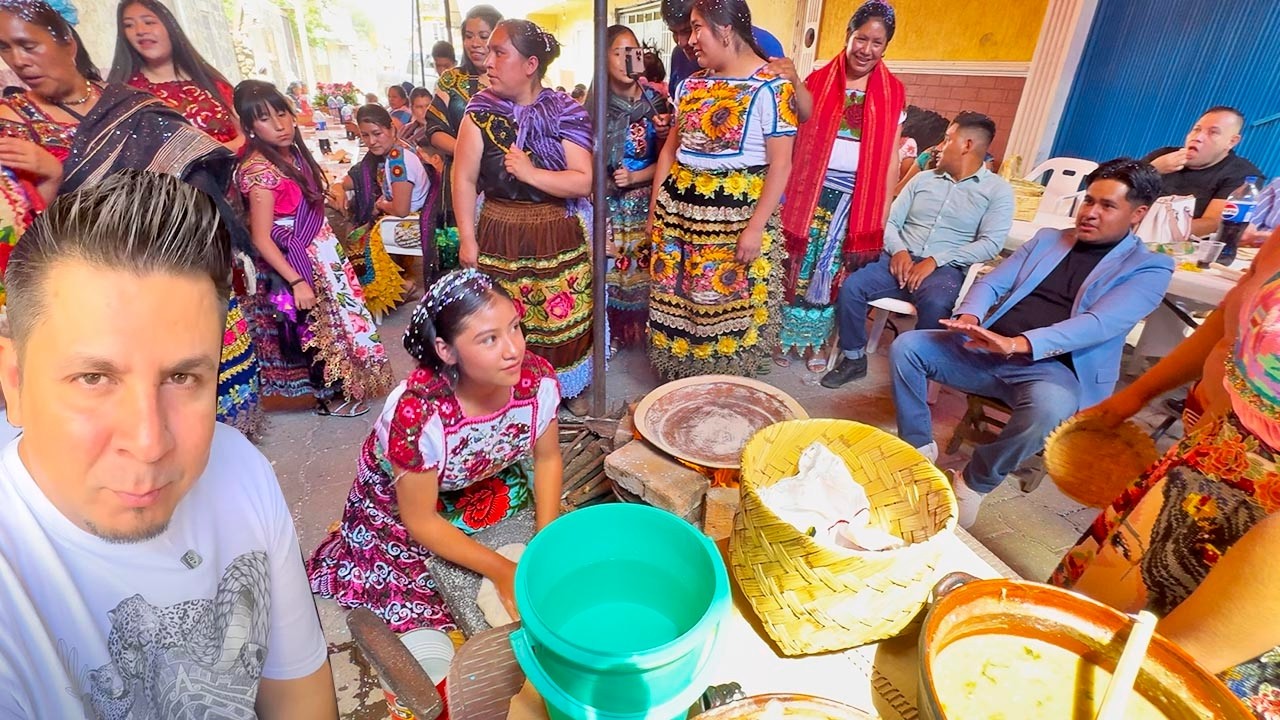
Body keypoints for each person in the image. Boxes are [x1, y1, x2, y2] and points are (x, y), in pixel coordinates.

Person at [0, 170, 337, 718]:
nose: (149, 442)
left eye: (183, 378)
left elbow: (298, 694)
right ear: (13, 382)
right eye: (94, 378)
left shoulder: (239, 469)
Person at [0, 1, 262, 437]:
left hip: (182, 268)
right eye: (5, 49)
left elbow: (199, 170)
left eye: (28, 45)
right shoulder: (12, 123)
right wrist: (50, 177)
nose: (18, 60)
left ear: (66, 39)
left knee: (205, 409)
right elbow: (20, 238)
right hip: (96, 301)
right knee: (140, 423)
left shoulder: (134, 105)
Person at [891, 159, 1174, 528]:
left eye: (1107, 206)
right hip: (987, 350)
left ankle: (975, 481)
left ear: (1137, 214)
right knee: (907, 347)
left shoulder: (1149, 268)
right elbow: (991, 282)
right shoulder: (1049, 239)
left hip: (1052, 370)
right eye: (1089, 201)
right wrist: (971, 317)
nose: (1090, 213)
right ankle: (918, 448)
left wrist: (1018, 343)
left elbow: (1098, 324)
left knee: (1048, 408)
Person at [1051, 262, 1280, 715]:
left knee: (1145, 693)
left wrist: (1171, 668)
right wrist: (1135, 394)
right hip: (1205, 468)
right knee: (1073, 645)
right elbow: (1232, 310)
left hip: (1261, 579)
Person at [308, 269, 563, 632]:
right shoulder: (417, 416)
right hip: (409, 503)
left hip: (483, 479)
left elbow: (548, 458)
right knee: (431, 602)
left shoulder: (537, 381)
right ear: (446, 350)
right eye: (489, 339)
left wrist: (545, 544)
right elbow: (421, 520)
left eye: (514, 327)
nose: (513, 350)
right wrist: (504, 570)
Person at [646, 0, 796, 380]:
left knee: (724, 305)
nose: (691, 40)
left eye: (698, 28)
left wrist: (756, 227)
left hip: (733, 218)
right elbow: (670, 152)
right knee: (678, 303)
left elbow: (781, 164)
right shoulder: (692, 84)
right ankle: (680, 388)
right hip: (677, 216)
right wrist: (655, 211)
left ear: (725, 29)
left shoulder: (773, 90)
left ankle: (721, 388)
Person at [452, 20, 596, 415]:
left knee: (561, 312)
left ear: (531, 64)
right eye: (489, 52)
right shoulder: (479, 112)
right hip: (499, 226)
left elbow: (582, 181)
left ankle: (566, 385)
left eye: (500, 53)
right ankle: (514, 391)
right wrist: (468, 237)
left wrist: (531, 173)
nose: (487, 61)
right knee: (503, 318)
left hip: (555, 227)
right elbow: (463, 178)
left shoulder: (567, 111)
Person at [234, 80, 392, 416]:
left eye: (282, 113)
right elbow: (262, 237)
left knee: (338, 319)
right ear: (249, 127)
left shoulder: (290, 156)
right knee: (313, 326)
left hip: (318, 251)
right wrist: (296, 280)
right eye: (265, 119)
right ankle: (326, 393)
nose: (280, 125)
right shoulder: (259, 171)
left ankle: (345, 382)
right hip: (296, 260)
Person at [823, 112, 1014, 387]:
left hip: (943, 269)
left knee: (938, 304)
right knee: (852, 287)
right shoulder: (922, 180)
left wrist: (937, 260)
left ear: (967, 145)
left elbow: (991, 243)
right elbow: (889, 221)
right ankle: (854, 359)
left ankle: (918, 373)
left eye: (947, 139)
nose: (938, 147)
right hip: (899, 259)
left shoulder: (997, 191)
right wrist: (899, 250)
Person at [774, 0, 904, 371]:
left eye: (877, 43)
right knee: (797, 268)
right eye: (861, 39)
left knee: (832, 272)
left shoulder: (893, 93)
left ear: (886, 47)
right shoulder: (818, 80)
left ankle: (817, 344)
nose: (866, 49)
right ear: (848, 37)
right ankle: (785, 338)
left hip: (855, 201)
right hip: (810, 195)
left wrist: (883, 209)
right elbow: (798, 126)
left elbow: (891, 156)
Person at [333, 103, 440, 311]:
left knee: (357, 239)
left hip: (410, 224)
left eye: (377, 133)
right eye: (365, 135)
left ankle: (400, 288)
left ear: (392, 129)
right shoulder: (400, 150)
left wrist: (380, 204)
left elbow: (400, 209)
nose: (371, 142)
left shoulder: (397, 162)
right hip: (410, 218)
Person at [597, 24, 665, 349]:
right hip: (608, 204)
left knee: (645, 269)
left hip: (645, 201)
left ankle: (643, 331)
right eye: (618, 53)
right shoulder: (593, 107)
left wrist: (635, 177)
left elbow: (670, 160)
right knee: (610, 271)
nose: (626, 60)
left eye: (632, 52)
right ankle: (614, 333)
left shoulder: (657, 105)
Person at [426, 5, 503, 276]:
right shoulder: (451, 80)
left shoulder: (509, 80)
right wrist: (470, 153)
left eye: (483, 36)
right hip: (457, 179)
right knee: (461, 267)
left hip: (501, 181)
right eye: (469, 36)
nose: (475, 43)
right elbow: (434, 130)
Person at [109, 0, 244, 151]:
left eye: (149, 22)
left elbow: (248, 135)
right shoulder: (125, 96)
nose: (140, 30)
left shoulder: (213, 83)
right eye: (128, 25)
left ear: (170, 27)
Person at [1144, 106, 1263, 237]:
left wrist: (1151, 229)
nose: (1198, 137)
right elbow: (1120, 188)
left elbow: (1212, 223)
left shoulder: (1242, 174)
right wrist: (1152, 169)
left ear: (1231, 141)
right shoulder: (1163, 155)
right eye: (1196, 129)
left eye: (1213, 132)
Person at [661, 0, 786, 92]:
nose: (683, 42)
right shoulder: (679, 55)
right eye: (674, 33)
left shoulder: (767, 46)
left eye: (692, 29)